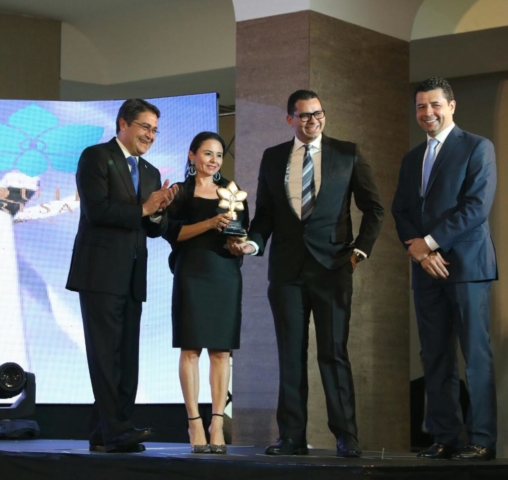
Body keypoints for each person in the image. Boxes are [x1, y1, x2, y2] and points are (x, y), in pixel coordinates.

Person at [228, 90, 384, 457]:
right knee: (290, 355)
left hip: (333, 268)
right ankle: (292, 437)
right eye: (304, 115)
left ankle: (346, 436)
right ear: (290, 120)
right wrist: (253, 244)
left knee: (333, 353)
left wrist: (359, 250)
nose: (313, 120)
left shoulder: (347, 153)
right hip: (286, 271)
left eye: (318, 114)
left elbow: (374, 208)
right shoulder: (273, 157)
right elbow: (265, 214)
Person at [392, 77, 497, 461]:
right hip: (426, 269)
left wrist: (431, 243)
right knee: (434, 356)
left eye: (435, 104)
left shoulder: (477, 147)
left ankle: (482, 440)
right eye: (421, 106)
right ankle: (445, 437)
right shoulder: (411, 158)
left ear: (451, 106)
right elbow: (401, 210)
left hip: (467, 266)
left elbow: (476, 207)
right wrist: (420, 253)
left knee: (475, 355)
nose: (427, 112)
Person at [66, 98, 178, 453]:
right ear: (123, 124)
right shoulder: (96, 157)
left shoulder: (151, 172)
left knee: (126, 355)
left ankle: (106, 430)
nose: (151, 135)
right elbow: (97, 210)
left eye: (155, 130)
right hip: (99, 273)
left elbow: (153, 228)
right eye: (145, 127)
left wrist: (158, 212)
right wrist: (144, 207)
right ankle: (117, 430)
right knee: (105, 354)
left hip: (132, 275)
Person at [163, 131, 249, 454]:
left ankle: (217, 423)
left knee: (221, 352)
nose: (214, 161)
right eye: (207, 153)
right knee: (190, 350)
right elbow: (172, 233)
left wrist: (239, 244)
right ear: (192, 155)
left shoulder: (233, 192)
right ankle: (194, 422)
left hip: (225, 274)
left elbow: (242, 232)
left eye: (219, 155)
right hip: (191, 273)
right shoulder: (180, 192)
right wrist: (211, 223)